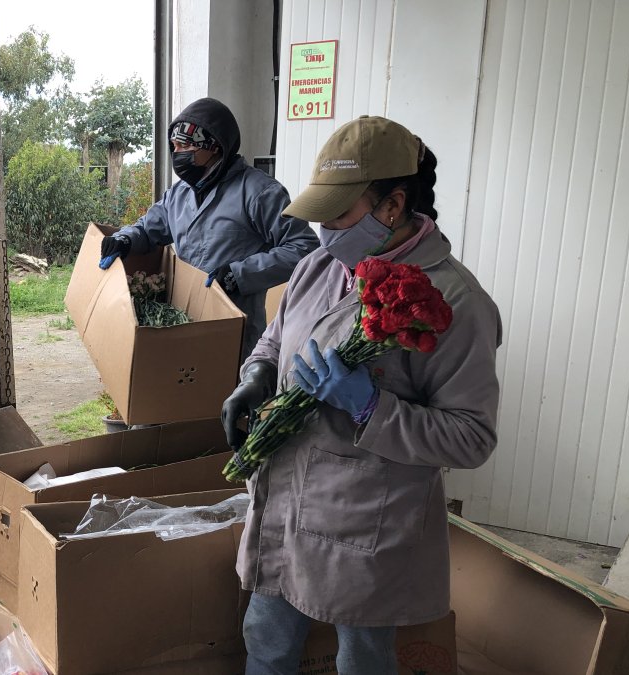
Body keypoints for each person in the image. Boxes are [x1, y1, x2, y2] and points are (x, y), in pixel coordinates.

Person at [220, 116, 502, 674]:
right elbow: (276, 342)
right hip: (284, 501)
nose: (324, 230)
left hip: (364, 521)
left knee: (362, 660)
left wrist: (371, 408)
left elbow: (471, 438)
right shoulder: (318, 267)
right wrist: (254, 378)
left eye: (339, 216)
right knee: (266, 641)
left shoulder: (455, 302)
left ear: (392, 207)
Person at [98, 98, 317, 358]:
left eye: (185, 146)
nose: (177, 154)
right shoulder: (179, 194)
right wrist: (124, 239)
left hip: (234, 328)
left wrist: (240, 274)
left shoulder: (259, 192)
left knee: (227, 393)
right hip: (183, 320)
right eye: (174, 146)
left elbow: (304, 248)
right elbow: (149, 229)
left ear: (213, 146)